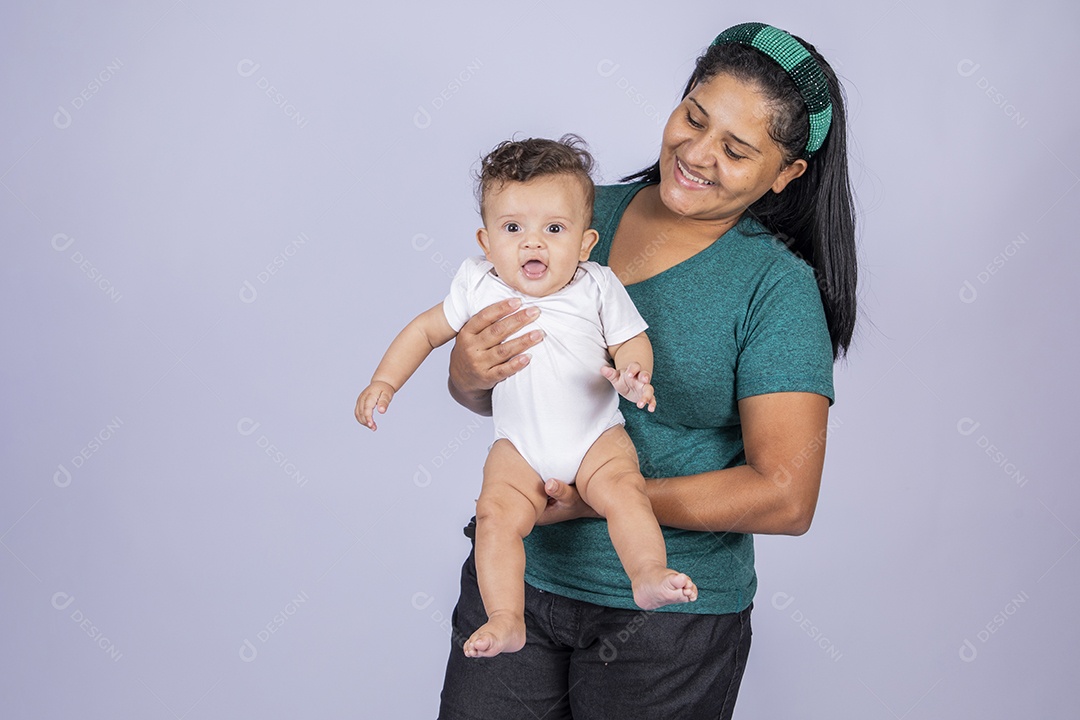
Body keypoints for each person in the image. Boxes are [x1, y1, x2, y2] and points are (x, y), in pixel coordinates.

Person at [438, 22, 857, 720]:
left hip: (665, 629)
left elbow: (786, 496)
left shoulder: (774, 289)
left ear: (786, 174)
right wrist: (466, 368)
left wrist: (604, 497)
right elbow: (490, 389)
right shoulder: (570, 214)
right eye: (694, 117)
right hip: (518, 585)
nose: (696, 153)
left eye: (736, 149)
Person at [355, 136, 698, 658]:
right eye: (513, 228)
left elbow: (632, 340)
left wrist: (634, 373)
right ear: (486, 241)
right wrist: (384, 380)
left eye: (553, 230)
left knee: (626, 492)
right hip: (518, 446)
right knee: (494, 518)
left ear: (584, 245)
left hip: (595, 439)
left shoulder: (597, 285)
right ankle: (506, 616)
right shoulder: (477, 284)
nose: (532, 244)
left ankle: (647, 572)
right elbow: (424, 331)